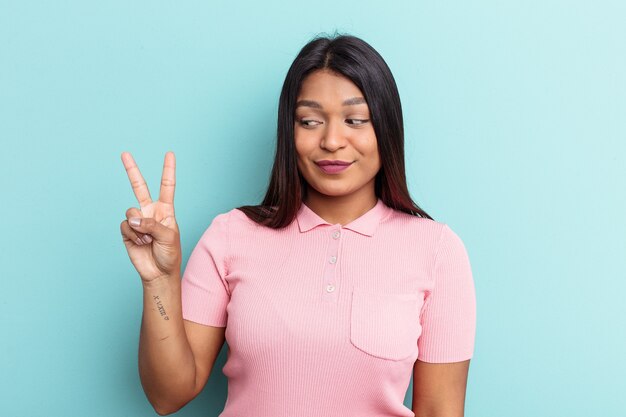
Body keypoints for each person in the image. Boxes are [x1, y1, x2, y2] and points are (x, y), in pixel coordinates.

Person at [120, 33, 476, 417]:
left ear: (386, 128)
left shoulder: (437, 250)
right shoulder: (230, 236)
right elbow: (168, 395)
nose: (332, 141)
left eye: (355, 120)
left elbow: (441, 409)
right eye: (310, 121)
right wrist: (159, 280)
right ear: (289, 131)